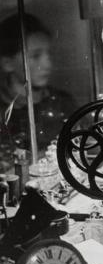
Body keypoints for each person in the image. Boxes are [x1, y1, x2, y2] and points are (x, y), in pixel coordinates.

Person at [0, 13, 76, 156]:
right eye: (35, 56)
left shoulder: (64, 102)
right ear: (7, 63)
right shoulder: (3, 113)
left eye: (48, 54)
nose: (48, 64)